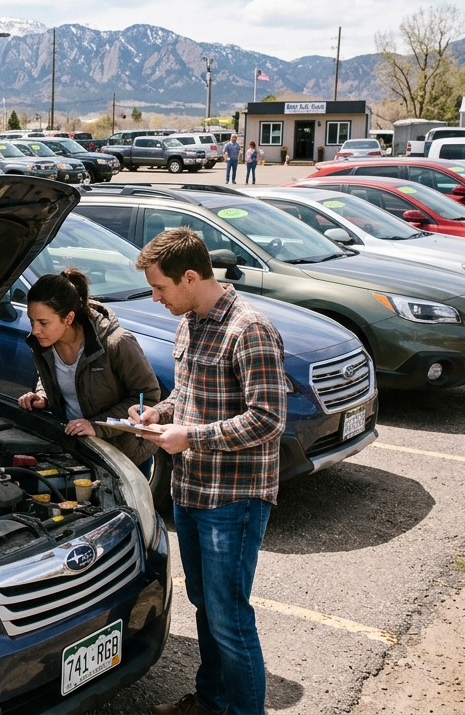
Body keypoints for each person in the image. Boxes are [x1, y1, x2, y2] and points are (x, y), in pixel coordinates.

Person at [129, 228, 286, 715]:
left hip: (233, 500)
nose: (155, 298)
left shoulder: (249, 328)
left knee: (229, 618)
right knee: (206, 607)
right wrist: (161, 413)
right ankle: (211, 701)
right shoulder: (189, 320)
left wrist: (189, 437)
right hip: (191, 490)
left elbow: (268, 418)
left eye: (160, 288)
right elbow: (190, 394)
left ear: (191, 276)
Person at [16, 269, 161, 477]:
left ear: (68, 318)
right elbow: (51, 379)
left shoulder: (117, 343)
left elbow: (147, 397)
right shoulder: (41, 345)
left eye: (43, 323)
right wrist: (43, 397)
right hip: (77, 451)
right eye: (32, 321)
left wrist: (96, 426)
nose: (35, 330)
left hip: (123, 457)